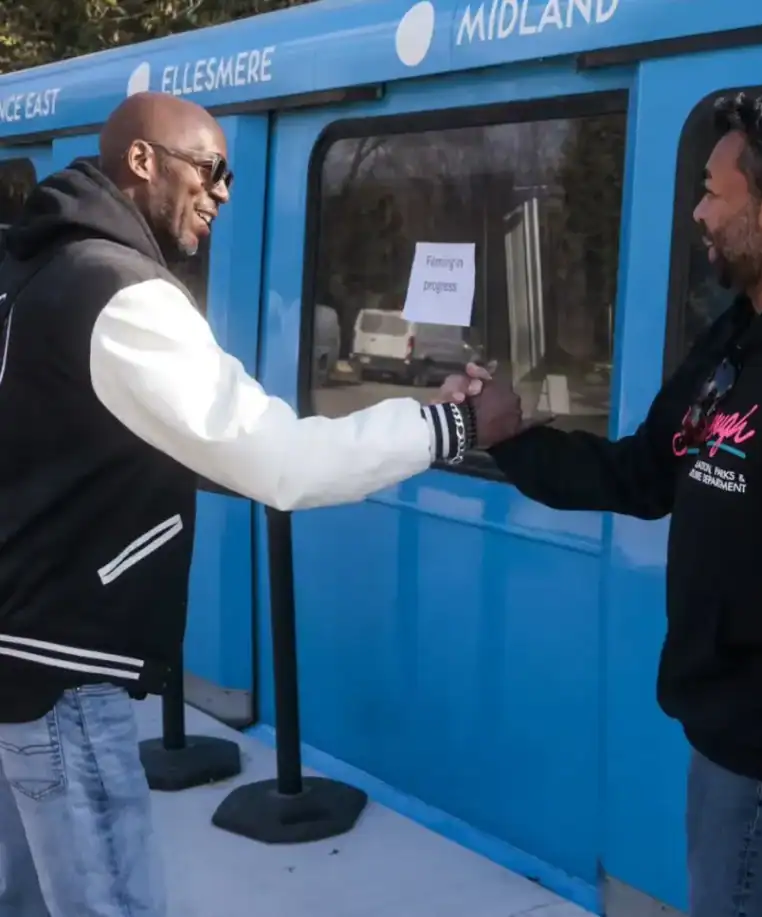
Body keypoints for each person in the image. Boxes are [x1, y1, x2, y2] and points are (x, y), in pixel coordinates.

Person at [442, 85, 762, 917]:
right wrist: (510, 436)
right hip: (722, 735)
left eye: (712, 190)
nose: (697, 211)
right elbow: (642, 474)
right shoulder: (739, 338)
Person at [0, 93, 478, 917]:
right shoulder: (120, 295)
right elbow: (281, 459)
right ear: (143, 161)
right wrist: (451, 425)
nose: (224, 193)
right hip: (66, 676)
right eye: (212, 169)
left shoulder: (31, 268)